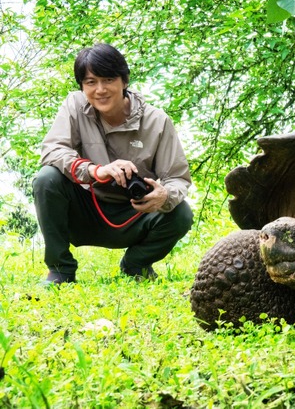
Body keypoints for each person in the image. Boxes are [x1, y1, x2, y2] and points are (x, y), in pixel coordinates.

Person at [32, 42, 193, 284]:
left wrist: (163, 195)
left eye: (108, 80)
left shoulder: (157, 122)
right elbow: (52, 149)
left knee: (181, 212)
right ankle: (60, 270)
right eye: (90, 82)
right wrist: (94, 170)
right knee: (46, 178)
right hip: (85, 210)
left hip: (135, 214)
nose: (100, 90)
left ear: (124, 81)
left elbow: (178, 178)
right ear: (82, 86)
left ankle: (136, 265)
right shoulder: (74, 106)